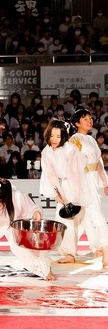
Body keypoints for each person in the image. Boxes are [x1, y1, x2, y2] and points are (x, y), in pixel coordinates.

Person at [40, 119, 89, 264]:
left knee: (83, 218)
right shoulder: (46, 152)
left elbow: (75, 173)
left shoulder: (70, 150)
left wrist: (74, 195)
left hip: (76, 182)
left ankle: (99, 247)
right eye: (52, 136)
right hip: (62, 185)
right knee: (65, 219)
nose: (54, 140)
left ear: (63, 136)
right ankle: (69, 253)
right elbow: (50, 174)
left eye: (58, 136)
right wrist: (58, 193)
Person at [65, 110, 108, 266]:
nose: (89, 121)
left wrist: (105, 182)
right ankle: (104, 249)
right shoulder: (74, 140)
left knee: (93, 214)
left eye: (90, 118)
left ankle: (99, 248)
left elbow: (98, 162)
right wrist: (75, 186)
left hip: (92, 179)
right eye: (85, 119)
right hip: (81, 180)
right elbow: (72, 165)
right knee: (93, 214)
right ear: (77, 123)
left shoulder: (91, 139)